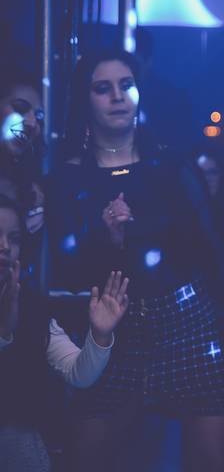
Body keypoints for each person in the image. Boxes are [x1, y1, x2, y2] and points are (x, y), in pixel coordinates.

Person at [45, 49, 224, 472]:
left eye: (126, 85)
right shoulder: (68, 178)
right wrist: (109, 239)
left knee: (213, 461)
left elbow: (214, 250)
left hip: (188, 325)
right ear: (84, 99)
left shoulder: (171, 166)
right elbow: (66, 273)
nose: (117, 96)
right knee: (84, 457)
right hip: (113, 336)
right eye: (102, 88)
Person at [0, 194, 130, 472]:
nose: (5, 247)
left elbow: (79, 373)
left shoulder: (30, 305)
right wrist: (3, 334)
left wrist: (100, 335)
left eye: (14, 238)